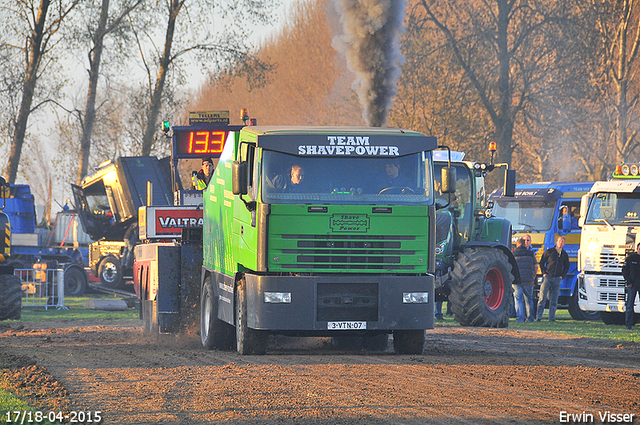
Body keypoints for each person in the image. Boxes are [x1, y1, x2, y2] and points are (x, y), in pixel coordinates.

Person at [536, 236, 569, 322]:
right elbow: (542, 262)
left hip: (557, 279)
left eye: (562, 241)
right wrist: (544, 272)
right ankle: (538, 317)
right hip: (547, 277)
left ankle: (552, 318)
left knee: (554, 300)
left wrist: (562, 276)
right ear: (556, 242)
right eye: (559, 241)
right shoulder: (550, 252)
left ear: (564, 243)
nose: (561, 243)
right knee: (542, 298)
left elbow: (566, 266)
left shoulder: (564, 254)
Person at [512, 237, 538, 323]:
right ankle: (530, 318)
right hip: (528, 280)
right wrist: (533, 275)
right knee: (529, 299)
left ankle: (520, 318)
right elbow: (536, 266)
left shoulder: (513, 253)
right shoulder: (530, 253)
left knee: (518, 299)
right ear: (525, 244)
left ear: (517, 244)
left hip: (517, 280)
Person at [622, 242, 640, 330]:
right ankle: (628, 325)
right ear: (637, 249)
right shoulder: (631, 258)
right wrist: (628, 282)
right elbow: (624, 271)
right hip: (632, 285)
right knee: (629, 305)